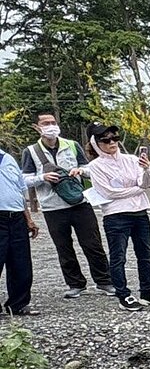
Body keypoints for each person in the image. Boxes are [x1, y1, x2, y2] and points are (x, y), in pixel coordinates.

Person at [20, 110, 113, 298]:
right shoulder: (30, 151)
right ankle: (75, 283)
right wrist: (42, 177)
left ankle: (104, 281)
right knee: (63, 247)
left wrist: (80, 171)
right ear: (36, 127)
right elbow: (24, 179)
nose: (50, 126)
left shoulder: (72, 145)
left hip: (79, 201)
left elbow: (89, 168)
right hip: (52, 206)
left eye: (53, 122)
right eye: (45, 123)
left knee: (93, 243)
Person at [84, 123, 150, 312]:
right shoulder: (95, 166)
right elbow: (109, 192)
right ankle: (123, 294)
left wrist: (146, 170)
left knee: (145, 254)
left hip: (140, 212)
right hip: (115, 215)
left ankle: (147, 290)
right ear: (96, 144)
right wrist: (137, 189)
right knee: (118, 256)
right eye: (105, 140)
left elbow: (145, 183)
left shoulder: (131, 159)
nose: (112, 142)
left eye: (115, 138)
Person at [0, 144, 38, 316]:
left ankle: (18, 304)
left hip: (16, 217)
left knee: (20, 263)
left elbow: (20, 190)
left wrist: (28, 218)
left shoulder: (7, 158)